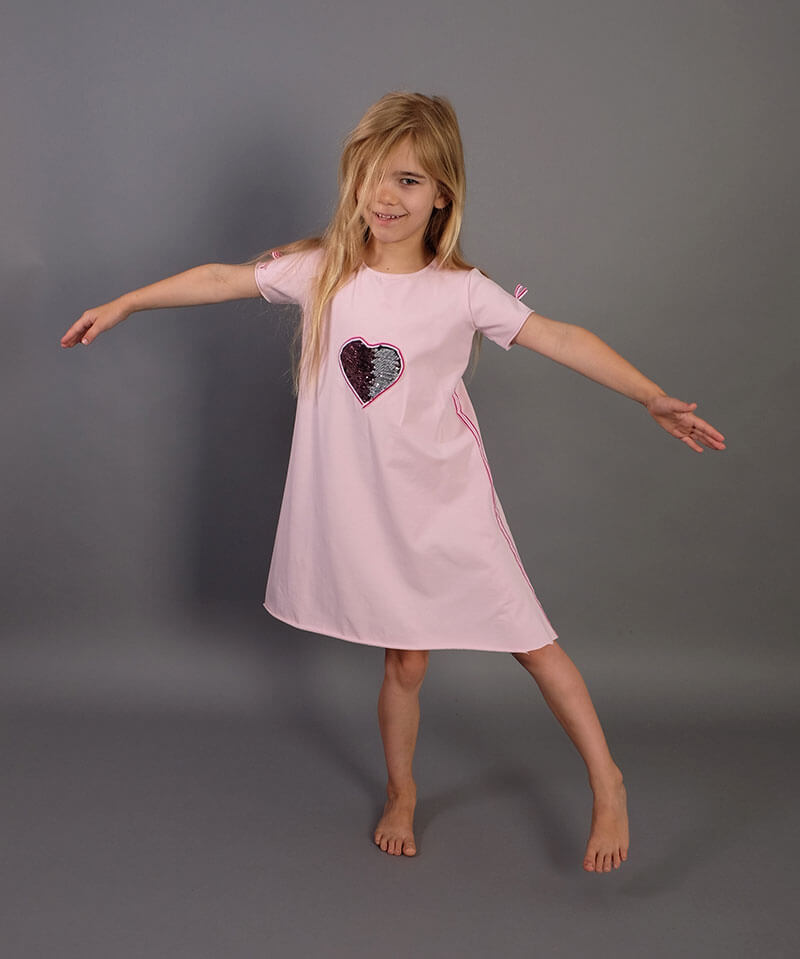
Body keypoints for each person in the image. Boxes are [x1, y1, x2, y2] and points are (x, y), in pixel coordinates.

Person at [60, 91, 726, 874]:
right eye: (373, 175)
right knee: (405, 662)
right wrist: (128, 301)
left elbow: (562, 336)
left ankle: (607, 779)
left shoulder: (461, 290)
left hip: (446, 504)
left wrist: (650, 395)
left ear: (442, 193)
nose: (385, 196)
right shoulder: (324, 272)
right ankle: (402, 789)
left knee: (533, 643)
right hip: (370, 509)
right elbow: (217, 278)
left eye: (408, 180)